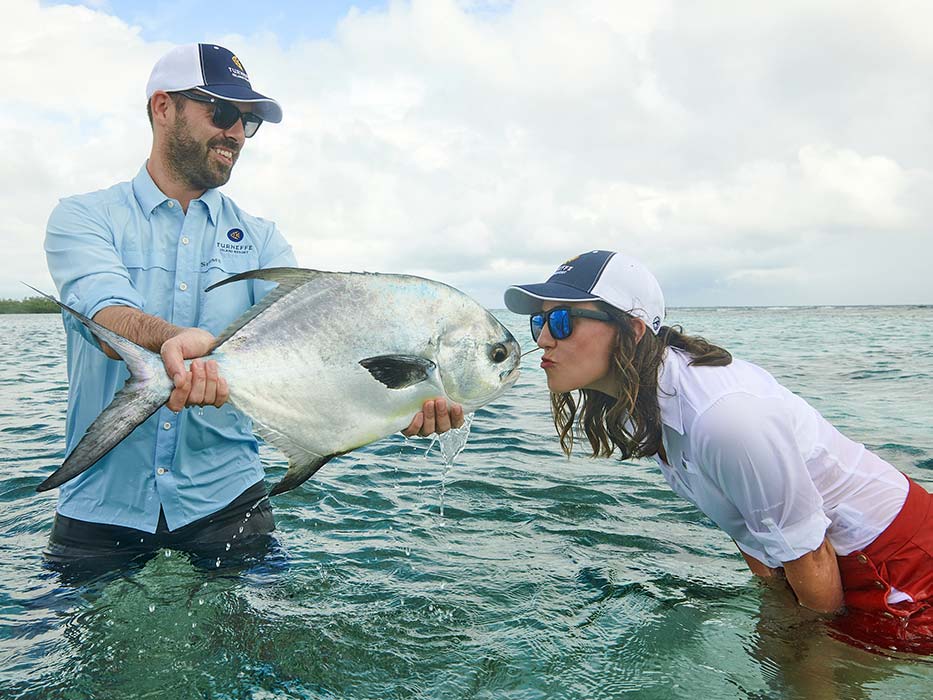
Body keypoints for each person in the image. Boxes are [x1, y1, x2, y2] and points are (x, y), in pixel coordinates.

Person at [43, 43, 461, 576]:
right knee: (92, 658)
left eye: (248, 121)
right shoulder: (83, 217)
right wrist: (171, 342)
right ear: (162, 107)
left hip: (227, 500)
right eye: (221, 112)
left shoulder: (264, 242)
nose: (236, 133)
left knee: (270, 655)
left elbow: (314, 361)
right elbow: (103, 311)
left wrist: (394, 406)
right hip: (101, 503)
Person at [504, 249, 933, 649]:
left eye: (561, 321)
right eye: (537, 323)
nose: (543, 339)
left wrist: (808, 667)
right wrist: (775, 610)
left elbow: (810, 553)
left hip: (898, 561)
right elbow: (748, 523)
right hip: (835, 561)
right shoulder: (644, 396)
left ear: (632, 330)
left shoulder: (723, 418)